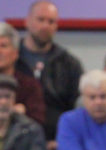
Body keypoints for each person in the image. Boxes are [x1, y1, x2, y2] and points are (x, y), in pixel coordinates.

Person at [17, 1, 83, 141]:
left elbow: (78, 110)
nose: (45, 26)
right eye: (40, 20)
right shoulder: (11, 60)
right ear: (27, 21)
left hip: (58, 142)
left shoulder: (70, 64)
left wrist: (63, 141)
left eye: (51, 21)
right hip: (16, 142)